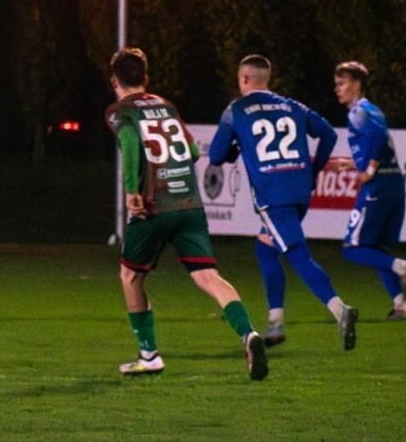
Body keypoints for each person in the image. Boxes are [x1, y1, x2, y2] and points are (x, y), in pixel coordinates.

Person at [106, 48, 268, 380]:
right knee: (208, 277)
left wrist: (133, 191)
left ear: (114, 82)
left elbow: (131, 145)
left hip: (154, 206)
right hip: (190, 204)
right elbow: (193, 151)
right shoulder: (166, 106)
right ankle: (249, 334)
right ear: (146, 79)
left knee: (130, 275)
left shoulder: (119, 111)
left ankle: (149, 355)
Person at [209, 54, 358, 350]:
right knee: (265, 249)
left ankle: (339, 309)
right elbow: (327, 133)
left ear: (244, 79)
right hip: (300, 190)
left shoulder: (236, 109)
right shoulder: (291, 105)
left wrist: (234, 147)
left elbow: (214, 157)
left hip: (272, 195)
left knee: (297, 254)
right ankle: (276, 321)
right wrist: (314, 170)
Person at [328, 61, 406, 319]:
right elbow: (378, 140)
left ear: (357, 84)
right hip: (394, 183)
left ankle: (402, 267)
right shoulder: (372, 110)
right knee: (373, 247)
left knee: (352, 248)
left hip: (377, 185)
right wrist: (352, 163)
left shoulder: (358, 111)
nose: (338, 89)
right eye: (336, 84)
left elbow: (378, 137)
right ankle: (401, 306)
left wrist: (368, 169)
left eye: (342, 83)